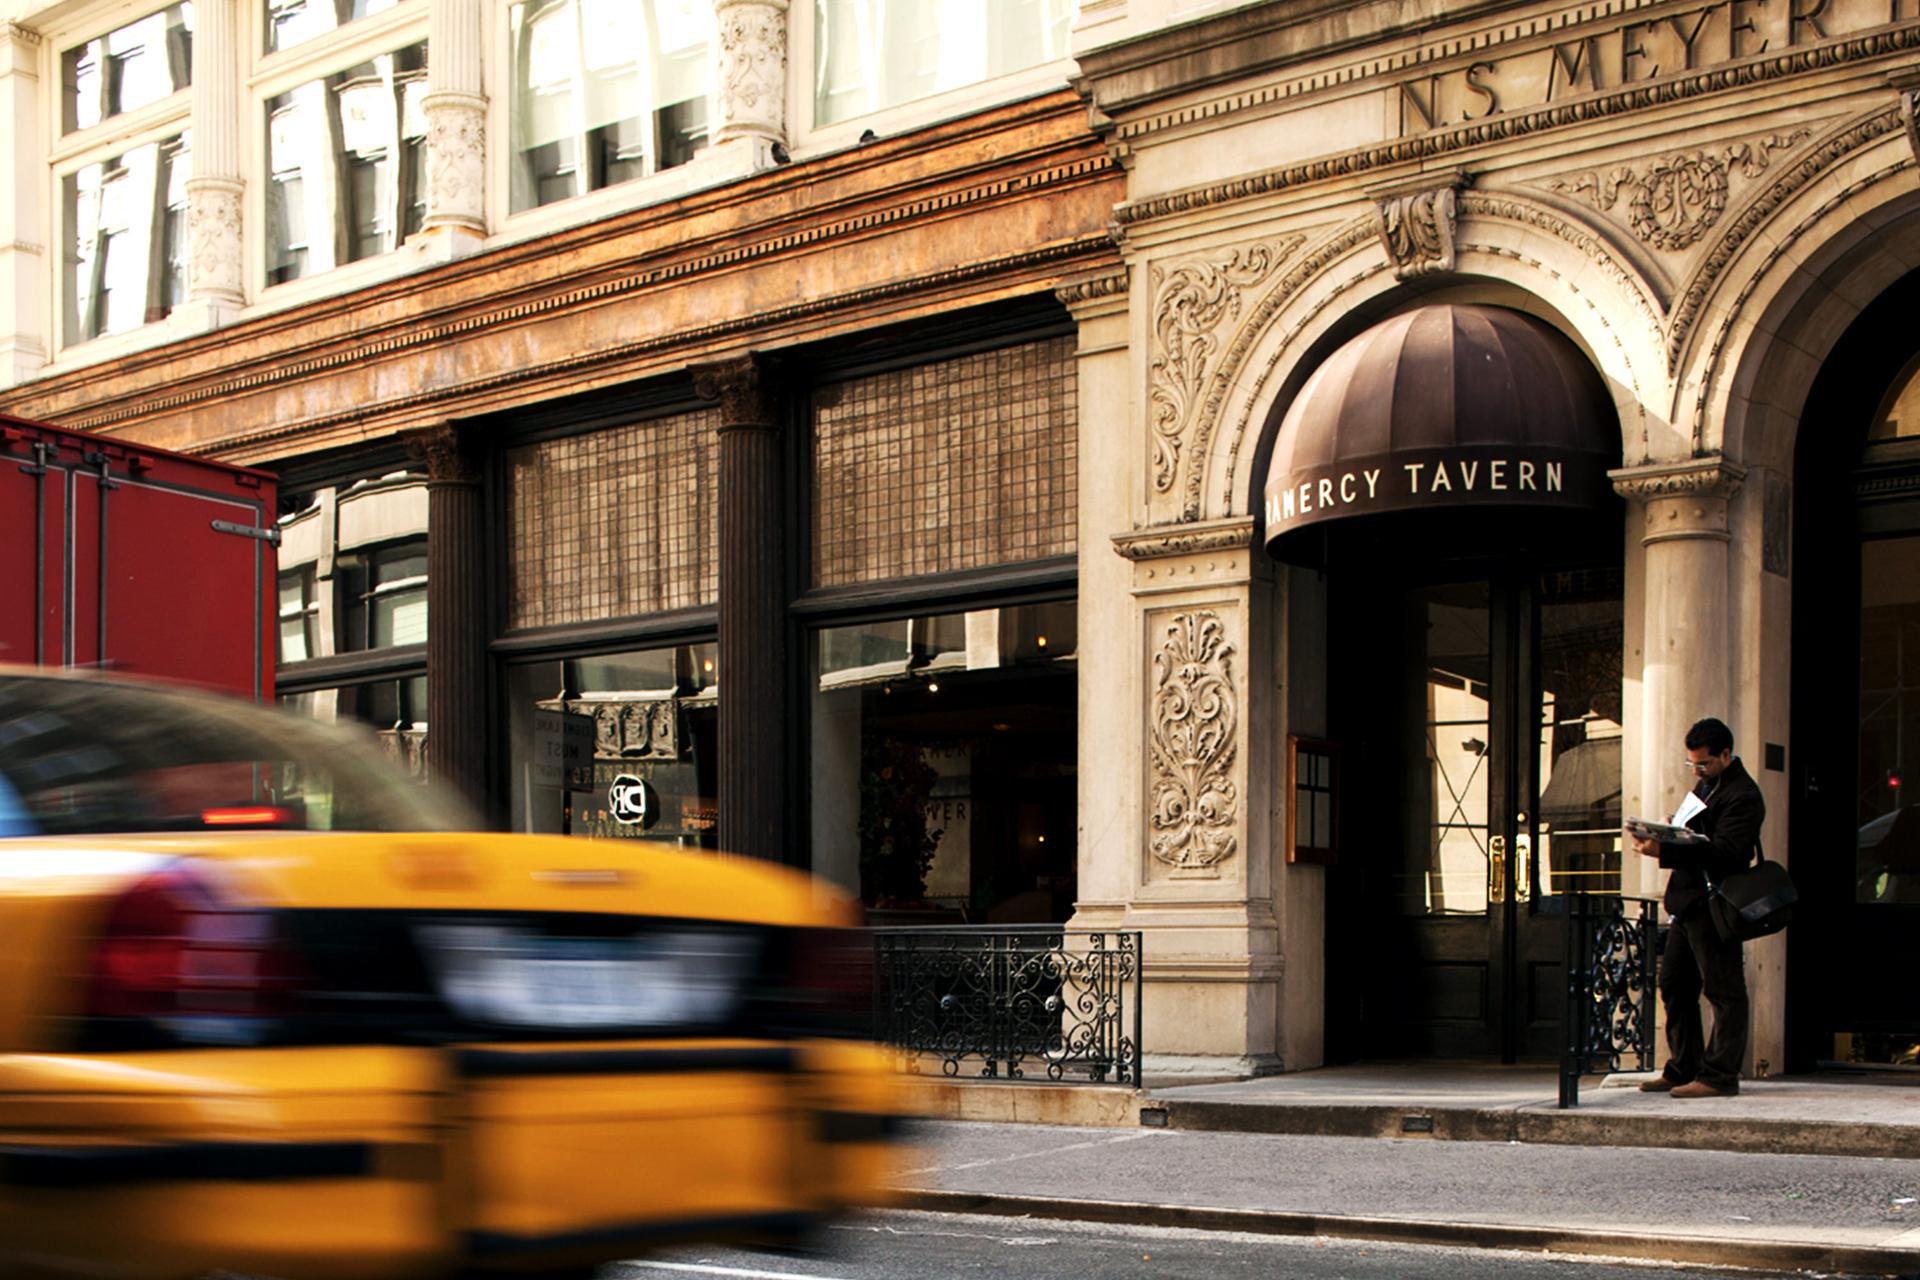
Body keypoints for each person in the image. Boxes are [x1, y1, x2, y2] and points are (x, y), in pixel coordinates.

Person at [1627, 717, 1764, 1098]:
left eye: (1703, 763)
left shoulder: (1743, 794)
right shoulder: (1708, 784)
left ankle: (1720, 1075)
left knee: (1723, 990)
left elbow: (1726, 852)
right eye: (1692, 764)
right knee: (1674, 985)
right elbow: (1699, 834)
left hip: (1714, 904)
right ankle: (1683, 1066)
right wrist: (1669, 829)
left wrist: (1665, 849)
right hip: (1687, 902)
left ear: (1726, 754)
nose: (1698, 770)